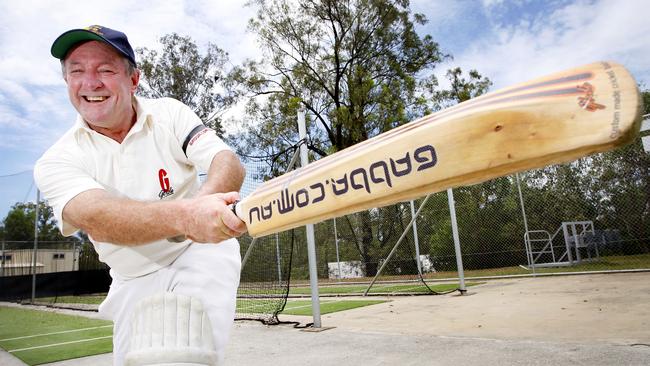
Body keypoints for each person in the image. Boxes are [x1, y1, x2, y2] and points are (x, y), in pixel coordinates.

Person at [34, 25, 247, 365]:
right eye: (77, 71)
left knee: (180, 356)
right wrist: (189, 216)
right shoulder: (56, 160)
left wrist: (205, 209)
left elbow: (226, 161)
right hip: (130, 278)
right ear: (67, 83)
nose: (91, 83)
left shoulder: (169, 113)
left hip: (200, 254)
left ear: (133, 80)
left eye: (105, 70)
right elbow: (99, 220)